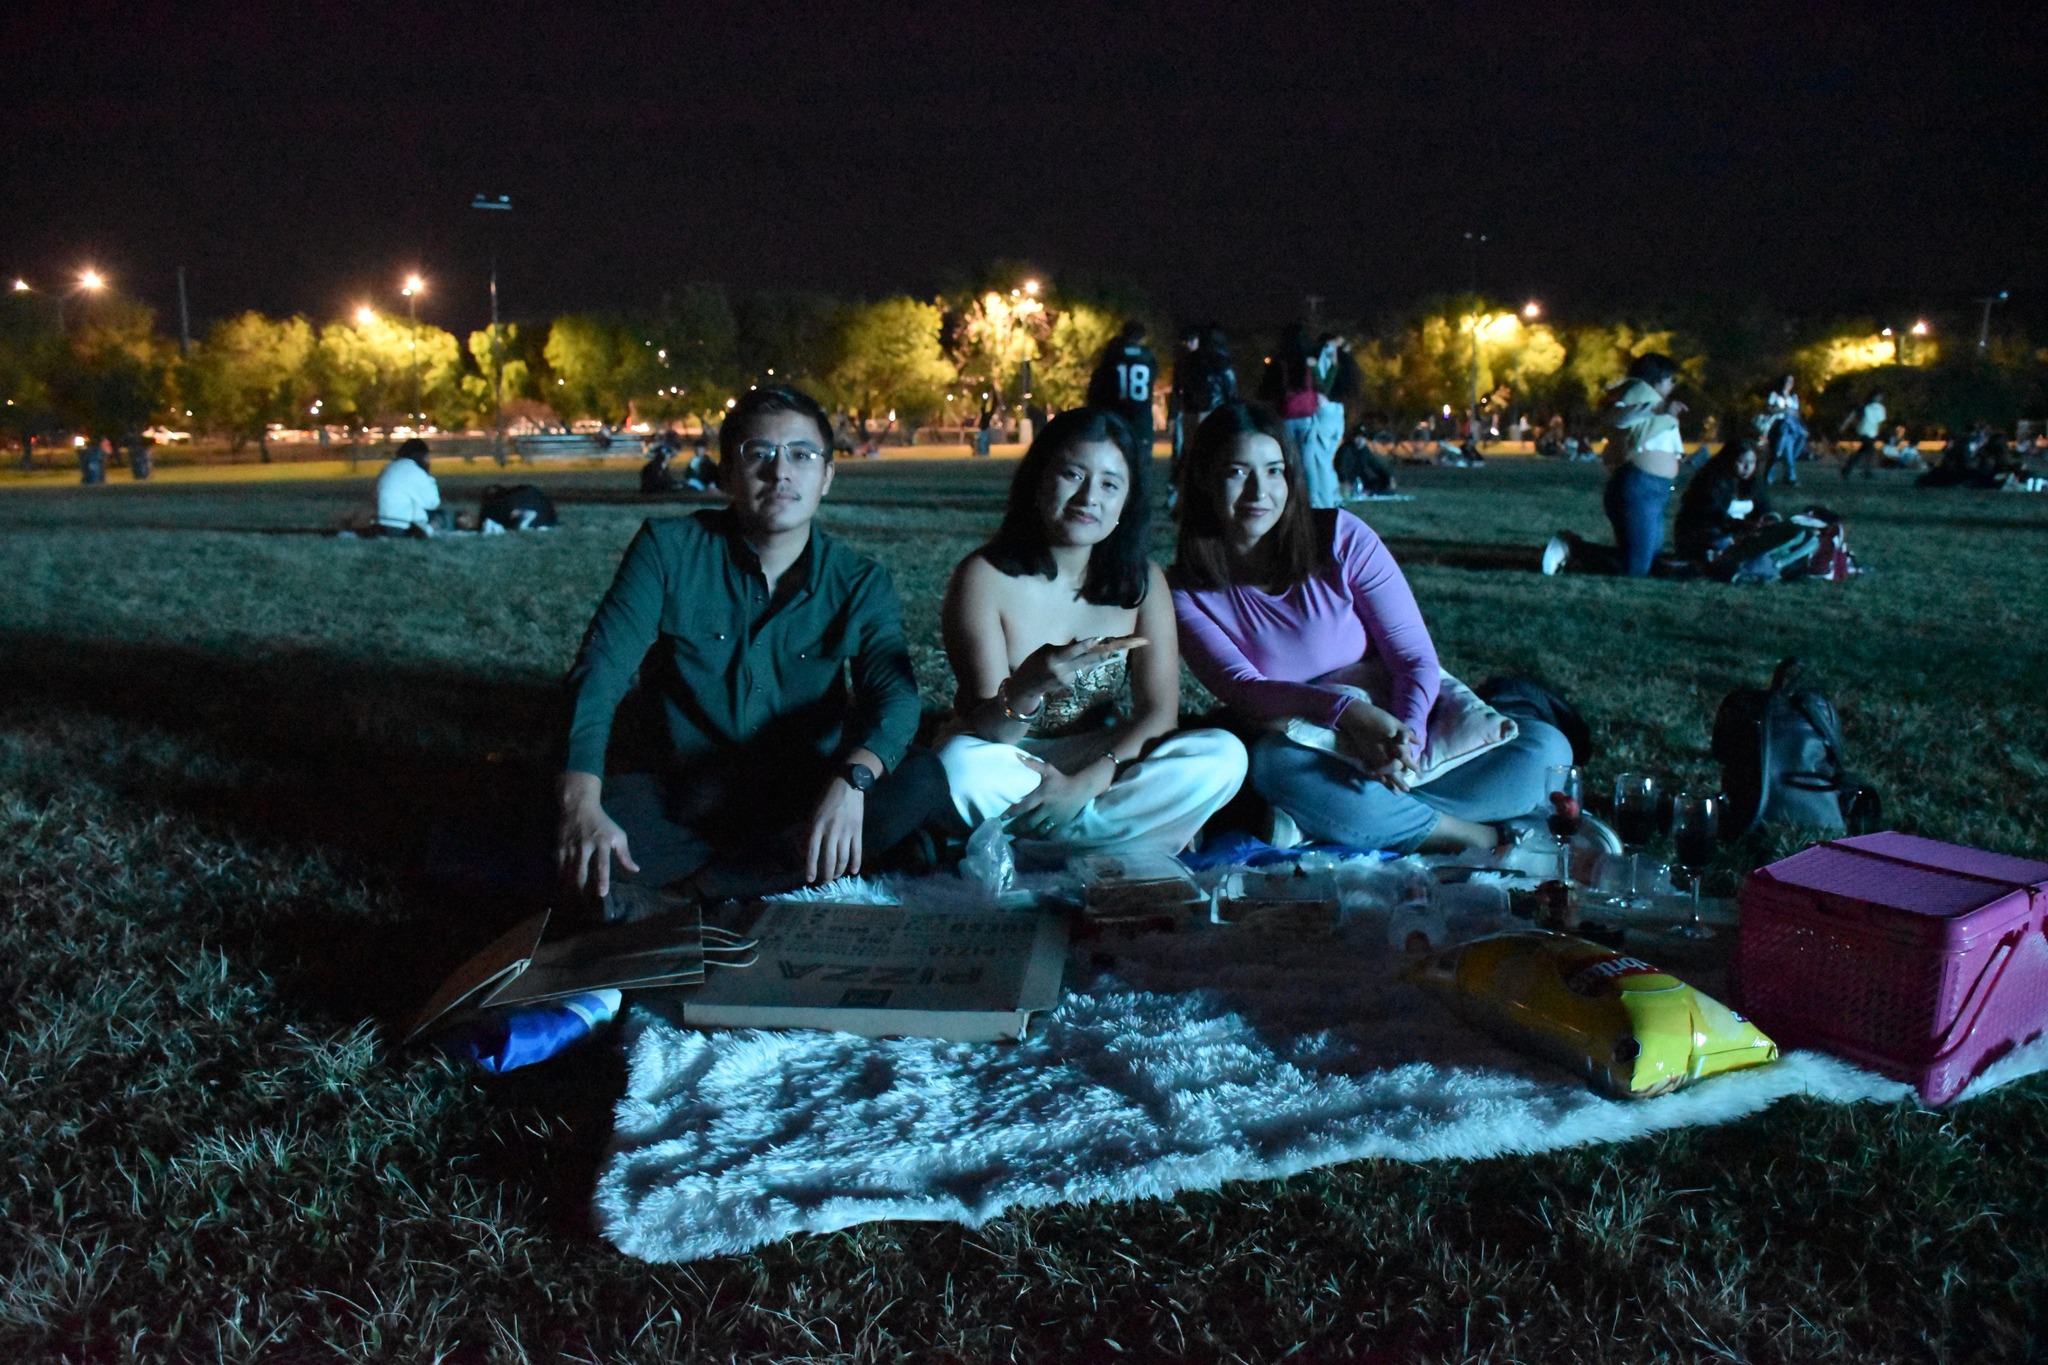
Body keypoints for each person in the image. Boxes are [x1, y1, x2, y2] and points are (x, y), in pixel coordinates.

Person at [556, 384, 951, 913]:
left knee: (919, 779)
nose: (780, 472)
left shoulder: (858, 581)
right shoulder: (668, 550)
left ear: (827, 476)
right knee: (576, 821)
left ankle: (686, 897)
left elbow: (895, 697)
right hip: (684, 795)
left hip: (805, 795)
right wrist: (579, 803)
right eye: (759, 453)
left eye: (802, 455)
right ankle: (772, 877)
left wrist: (852, 782)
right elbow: (600, 673)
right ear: (725, 474)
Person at [1171, 402, 1572, 855]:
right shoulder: (1186, 592)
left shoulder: (1341, 537)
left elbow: (1413, 657)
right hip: (1312, 752)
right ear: (1203, 479)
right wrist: (1349, 714)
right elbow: (1245, 690)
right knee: (1273, 765)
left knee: (1546, 751)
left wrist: (1404, 742)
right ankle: (1476, 835)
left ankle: (1352, 823)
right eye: (1237, 473)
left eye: (1274, 471)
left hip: (1402, 735)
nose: (1259, 491)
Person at [936, 407, 1247, 864]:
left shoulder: (1143, 582)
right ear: (1039, 480)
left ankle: (1038, 843)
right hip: (1011, 761)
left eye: (1109, 484)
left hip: (1100, 761)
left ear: (1126, 501)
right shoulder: (983, 577)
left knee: (1224, 755)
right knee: (959, 766)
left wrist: (1084, 785)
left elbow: (1159, 715)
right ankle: (1124, 842)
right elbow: (992, 733)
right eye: (1073, 475)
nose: (1089, 497)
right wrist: (1028, 688)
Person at [1542, 353, 1687, 577]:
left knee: (1647, 561)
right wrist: (1660, 410)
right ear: (1657, 379)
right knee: (1635, 567)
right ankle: (1571, 547)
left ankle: (1575, 548)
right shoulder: (1638, 394)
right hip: (1639, 487)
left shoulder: (1653, 402)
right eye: (1671, 380)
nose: (1673, 385)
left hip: (1653, 490)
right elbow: (1616, 418)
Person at [1259, 326, 1338, 508]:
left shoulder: (1279, 362)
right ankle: (1311, 500)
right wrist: (1332, 366)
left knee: (1287, 459)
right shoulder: (1308, 363)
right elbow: (1323, 387)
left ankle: (1288, 497)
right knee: (1308, 461)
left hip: (1285, 416)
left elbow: (1266, 390)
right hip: (1306, 418)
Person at [1674, 437, 1774, 563]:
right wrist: (1743, 526)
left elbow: (1763, 506)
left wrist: (1768, 519)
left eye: (1751, 462)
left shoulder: (1753, 483)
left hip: (1734, 534)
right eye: (1741, 461)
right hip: (1705, 536)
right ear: (1730, 459)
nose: (1747, 467)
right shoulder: (1712, 480)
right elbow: (1712, 516)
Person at [1169, 325, 1238, 491]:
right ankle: (1211, 489)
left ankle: (1185, 489)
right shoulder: (1223, 361)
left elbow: (1177, 389)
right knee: (1214, 453)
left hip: (1190, 412)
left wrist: (1173, 414)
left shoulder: (1187, 361)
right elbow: (1230, 391)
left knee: (1190, 453)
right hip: (1215, 413)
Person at [1087, 321, 1159, 461]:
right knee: (1141, 461)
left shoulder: (1113, 356)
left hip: (1118, 414)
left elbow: (1100, 386)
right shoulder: (1148, 358)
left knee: (1117, 458)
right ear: (1143, 337)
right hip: (1142, 417)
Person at [375, 437, 450, 535]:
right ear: (423, 456)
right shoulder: (415, 471)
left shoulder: (390, 467)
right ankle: (429, 530)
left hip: (384, 523)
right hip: (404, 527)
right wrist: (429, 477)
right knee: (443, 517)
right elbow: (433, 503)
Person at [1763, 374, 1807, 485]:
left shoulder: (1793, 397)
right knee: (1777, 451)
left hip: (1790, 428)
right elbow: (1768, 408)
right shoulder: (1775, 395)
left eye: (1791, 382)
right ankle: (1774, 475)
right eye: (1787, 381)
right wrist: (1783, 410)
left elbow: (1796, 413)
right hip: (1778, 426)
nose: (1789, 384)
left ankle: (1789, 476)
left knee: (1788, 451)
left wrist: (1790, 411)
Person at [1334, 422, 1398, 498]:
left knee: (1382, 482)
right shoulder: (1346, 449)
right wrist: (1345, 482)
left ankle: (1368, 492)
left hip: (1360, 480)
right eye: (1358, 437)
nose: (1360, 440)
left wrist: (1388, 477)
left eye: (1363, 437)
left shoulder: (1364, 450)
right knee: (1346, 491)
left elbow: (1376, 465)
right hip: (1345, 482)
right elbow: (1341, 468)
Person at [1838, 390, 1887, 479]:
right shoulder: (1869, 407)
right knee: (1869, 451)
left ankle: (1847, 470)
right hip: (1866, 432)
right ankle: (1866, 471)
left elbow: (1852, 416)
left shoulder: (1871, 407)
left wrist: (1844, 426)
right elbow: (1853, 416)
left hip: (1869, 432)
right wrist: (1844, 426)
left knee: (1860, 453)